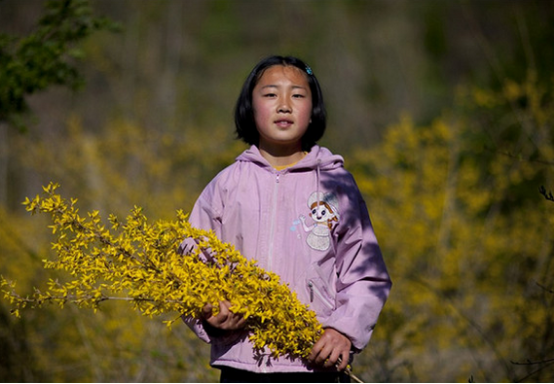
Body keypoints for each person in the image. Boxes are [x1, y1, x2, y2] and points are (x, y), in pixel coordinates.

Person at [181, 55, 391, 383]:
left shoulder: (336, 185)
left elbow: (366, 275)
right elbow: (190, 264)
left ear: (313, 111)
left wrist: (343, 331)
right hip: (241, 364)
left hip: (314, 361)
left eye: (297, 95)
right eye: (269, 94)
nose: (284, 105)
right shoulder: (227, 184)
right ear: (249, 108)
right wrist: (209, 309)